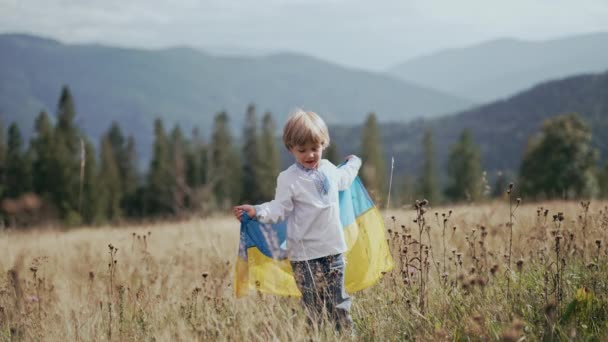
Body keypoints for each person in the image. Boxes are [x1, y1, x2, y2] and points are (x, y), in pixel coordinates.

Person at [233, 109, 362, 333]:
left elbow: (345, 179)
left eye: (315, 148)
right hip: (304, 257)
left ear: (324, 144)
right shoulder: (289, 178)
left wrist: (354, 162)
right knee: (313, 308)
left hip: (333, 252)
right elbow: (279, 208)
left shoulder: (330, 169)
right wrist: (256, 210)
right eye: (302, 150)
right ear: (290, 148)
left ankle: (346, 337)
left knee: (339, 304)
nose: (310, 155)